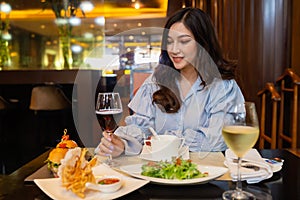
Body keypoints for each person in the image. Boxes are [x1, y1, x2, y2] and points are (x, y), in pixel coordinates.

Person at [95, 7, 244, 158]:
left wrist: (165, 139)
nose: (173, 50)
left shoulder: (223, 86)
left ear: (203, 44)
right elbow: (140, 126)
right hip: (160, 172)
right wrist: (122, 143)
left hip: (207, 173)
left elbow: (217, 140)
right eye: (169, 42)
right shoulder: (156, 81)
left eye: (184, 41)